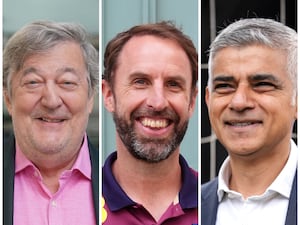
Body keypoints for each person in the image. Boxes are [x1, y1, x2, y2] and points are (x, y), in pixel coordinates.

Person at [202, 18, 297, 225]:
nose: (239, 102)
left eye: (262, 84)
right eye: (225, 86)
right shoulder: (194, 206)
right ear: (208, 100)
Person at [102, 21, 198, 224]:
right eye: (140, 82)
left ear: (192, 101)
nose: (158, 102)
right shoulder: (79, 202)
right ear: (109, 95)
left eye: (173, 84)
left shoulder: (214, 203)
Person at [3, 21, 99, 225]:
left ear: (91, 98)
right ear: (8, 99)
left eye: (67, 82)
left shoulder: (122, 181)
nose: (51, 100)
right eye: (33, 82)